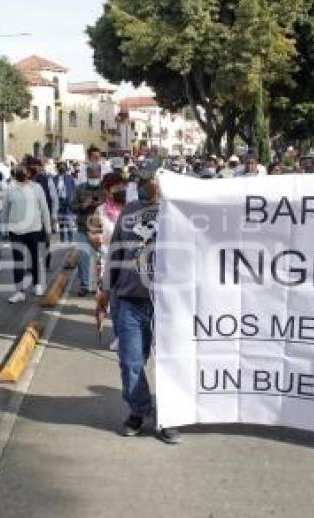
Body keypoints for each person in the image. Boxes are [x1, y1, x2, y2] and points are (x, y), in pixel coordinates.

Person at [96, 173, 180, 444]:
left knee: (170, 365)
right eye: (144, 180)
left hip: (167, 304)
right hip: (129, 300)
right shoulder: (129, 212)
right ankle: (142, 411)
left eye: (154, 180)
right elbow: (116, 253)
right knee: (131, 362)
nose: (149, 185)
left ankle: (168, 417)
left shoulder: (178, 209)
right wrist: (105, 290)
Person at [2, 163, 52, 303]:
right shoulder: (10, 188)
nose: (21, 173)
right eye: (18, 171)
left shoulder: (37, 188)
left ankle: (37, 284)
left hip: (34, 229)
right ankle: (19, 292)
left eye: (23, 170)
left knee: (36, 258)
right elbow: (5, 210)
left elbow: (44, 209)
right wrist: (4, 228)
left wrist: (48, 229)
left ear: (29, 173)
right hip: (15, 230)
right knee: (18, 261)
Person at [89, 172, 126, 350]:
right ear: (107, 191)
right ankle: (117, 333)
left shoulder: (133, 207)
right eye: (116, 188)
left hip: (128, 263)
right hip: (107, 261)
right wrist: (95, 237)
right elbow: (93, 232)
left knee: (123, 302)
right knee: (108, 301)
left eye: (123, 186)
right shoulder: (101, 210)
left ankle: (123, 336)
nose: (121, 190)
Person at [70, 164, 105, 297]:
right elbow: (72, 206)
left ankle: (101, 285)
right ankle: (85, 285)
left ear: (100, 175)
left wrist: (101, 203)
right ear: (87, 175)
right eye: (91, 176)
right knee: (84, 258)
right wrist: (83, 205)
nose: (93, 178)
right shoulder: (80, 189)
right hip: (83, 227)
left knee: (101, 258)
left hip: (101, 229)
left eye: (96, 176)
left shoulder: (105, 189)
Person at [55, 162, 77, 242]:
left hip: (68, 203)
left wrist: (73, 200)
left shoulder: (69, 178)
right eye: (60, 167)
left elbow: (74, 189)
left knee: (69, 223)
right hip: (59, 203)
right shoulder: (54, 178)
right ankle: (62, 240)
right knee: (61, 224)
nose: (62, 168)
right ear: (57, 168)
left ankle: (70, 240)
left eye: (63, 167)